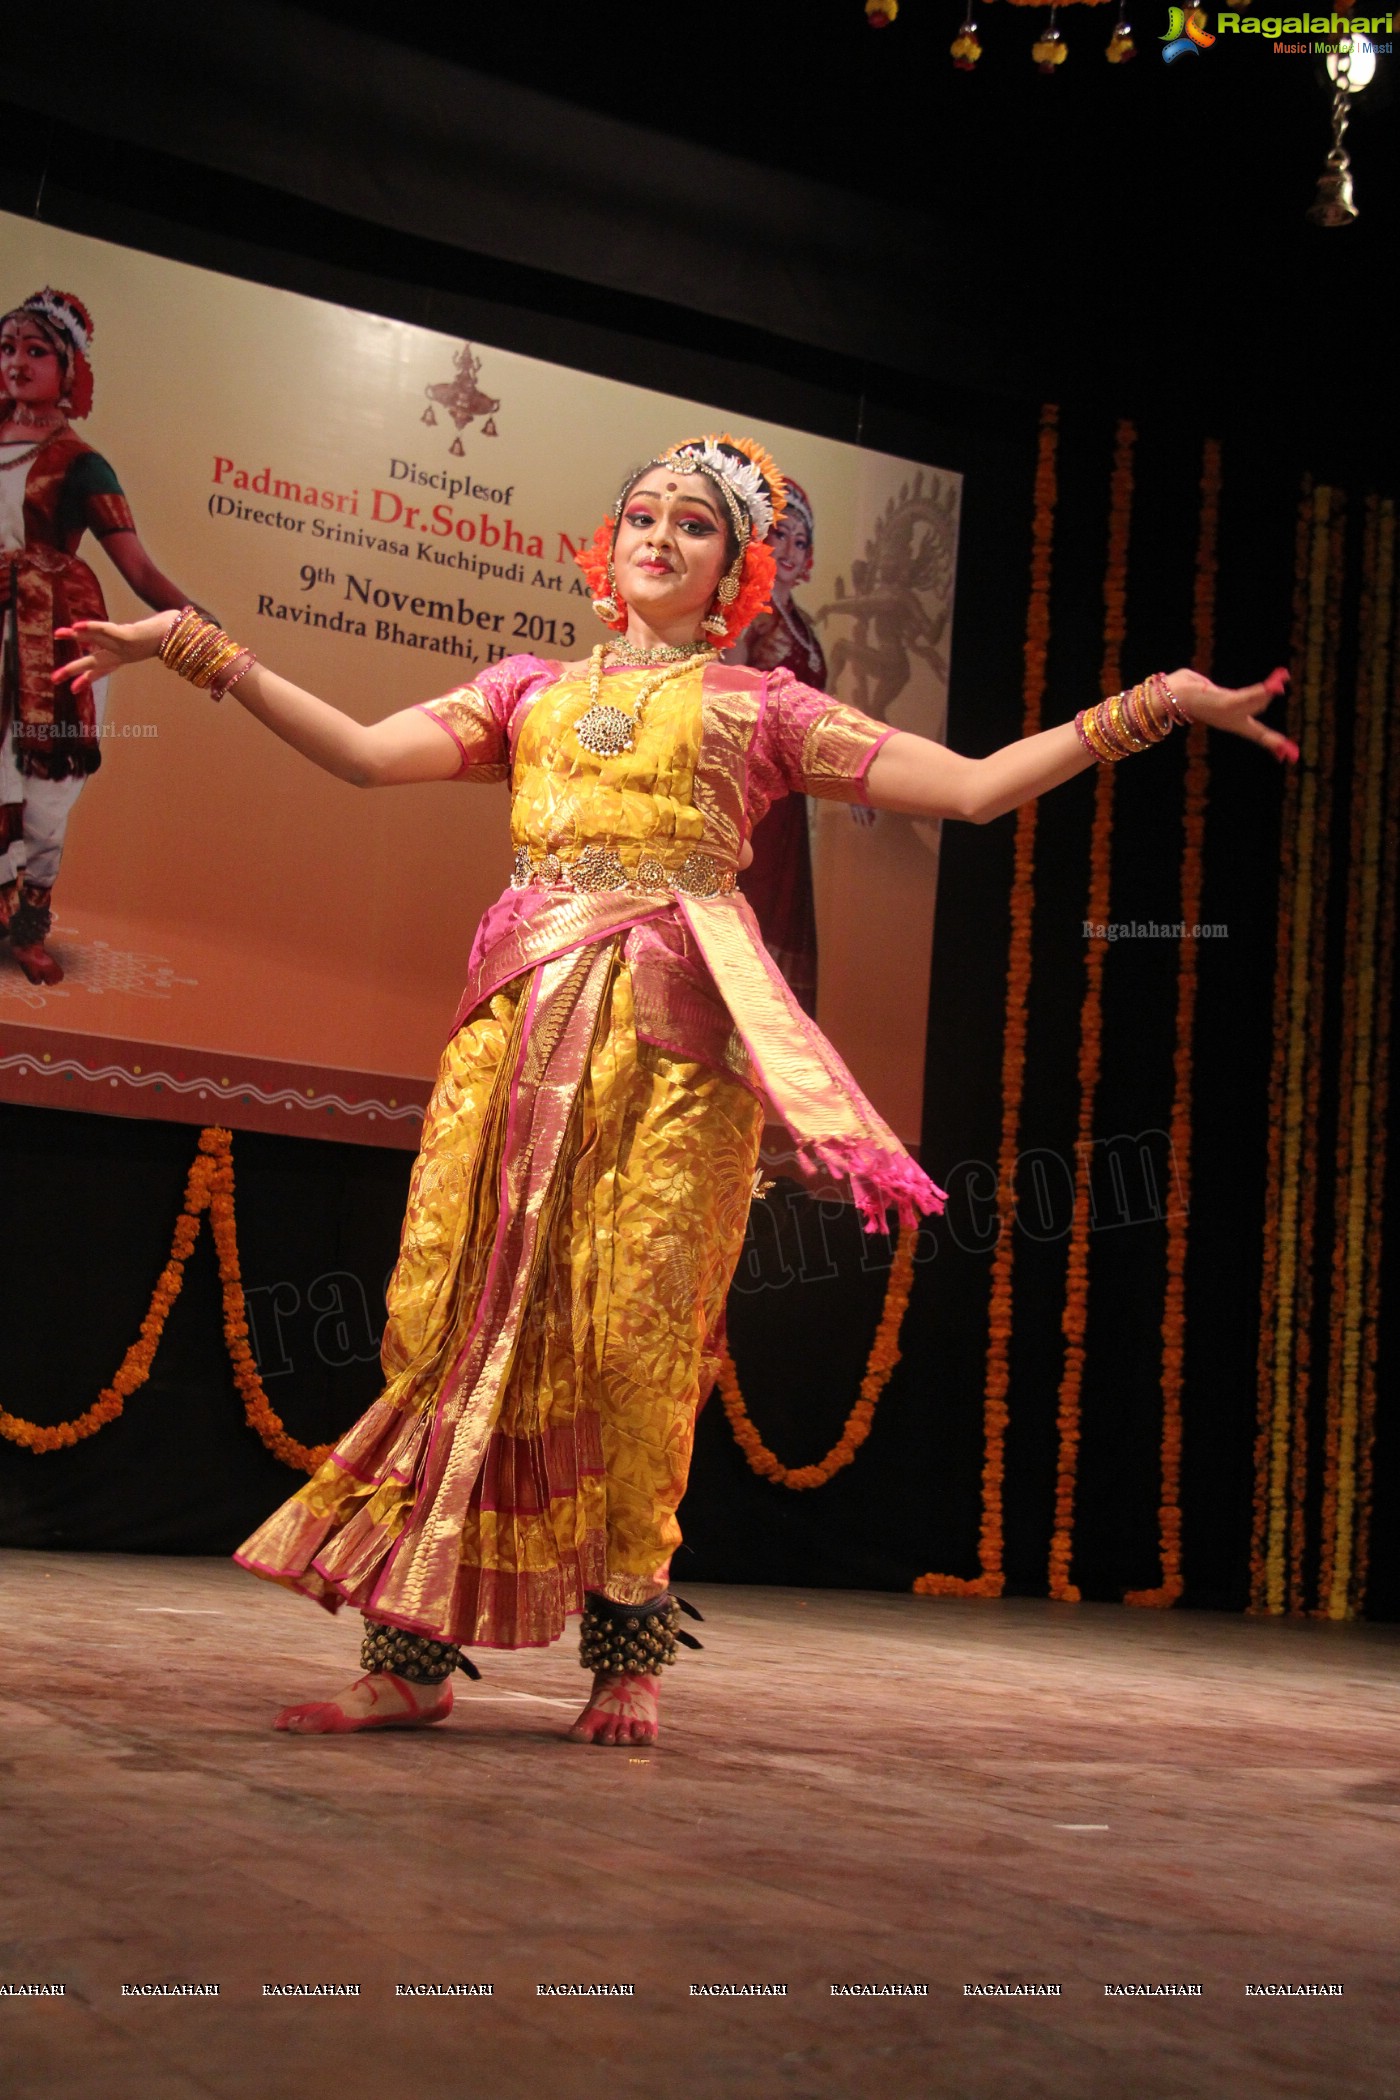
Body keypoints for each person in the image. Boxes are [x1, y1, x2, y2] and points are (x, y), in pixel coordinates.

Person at [55, 432, 1298, 1748]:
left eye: (694, 525)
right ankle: (408, 1653)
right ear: (608, 550)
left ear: (737, 573)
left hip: (676, 1053)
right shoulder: (528, 692)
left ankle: (627, 1654)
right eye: (640, 513)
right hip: (516, 1036)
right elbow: (363, 755)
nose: (658, 534)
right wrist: (193, 648)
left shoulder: (762, 711)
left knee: (639, 1341)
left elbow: (978, 792)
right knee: (452, 1320)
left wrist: (1152, 703)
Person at [0, 288, 196, 985]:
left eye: (35, 351)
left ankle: (28, 928)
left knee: (44, 788)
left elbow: (137, 567)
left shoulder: (83, 465)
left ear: (70, 368)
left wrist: (198, 626)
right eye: (7, 348)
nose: (16, 363)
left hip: (50, 637)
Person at [724, 478, 824, 1014]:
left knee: (786, 912)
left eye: (801, 542)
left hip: (792, 799)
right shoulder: (753, 612)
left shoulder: (803, 623)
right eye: (780, 536)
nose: (789, 550)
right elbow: (730, 683)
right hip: (751, 786)